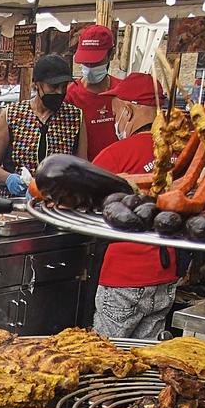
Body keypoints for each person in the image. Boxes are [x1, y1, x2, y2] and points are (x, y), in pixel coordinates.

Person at [89, 72, 175, 342]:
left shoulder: (118, 154)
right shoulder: (179, 152)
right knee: (143, 360)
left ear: (127, 110)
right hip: (166, 273)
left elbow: (80, 195)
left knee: (106, 358)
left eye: (115, 112)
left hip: (124, 273)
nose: (116, 119)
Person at [0, 53, 86, 195]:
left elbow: (82, 166)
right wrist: (8, 178)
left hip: (57, 201)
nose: (60, 92)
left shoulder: (74, 117)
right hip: (14, 200)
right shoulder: (12, 114)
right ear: (36, 85)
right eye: (54, 86)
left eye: (64, 87)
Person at [67, 23, 119, 159]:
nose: (89, 67)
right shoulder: (70, 95)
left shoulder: (122, 92)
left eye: (95, 62)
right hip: (83, 173)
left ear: (111, 55)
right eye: (86, 62)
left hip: (119, 172)